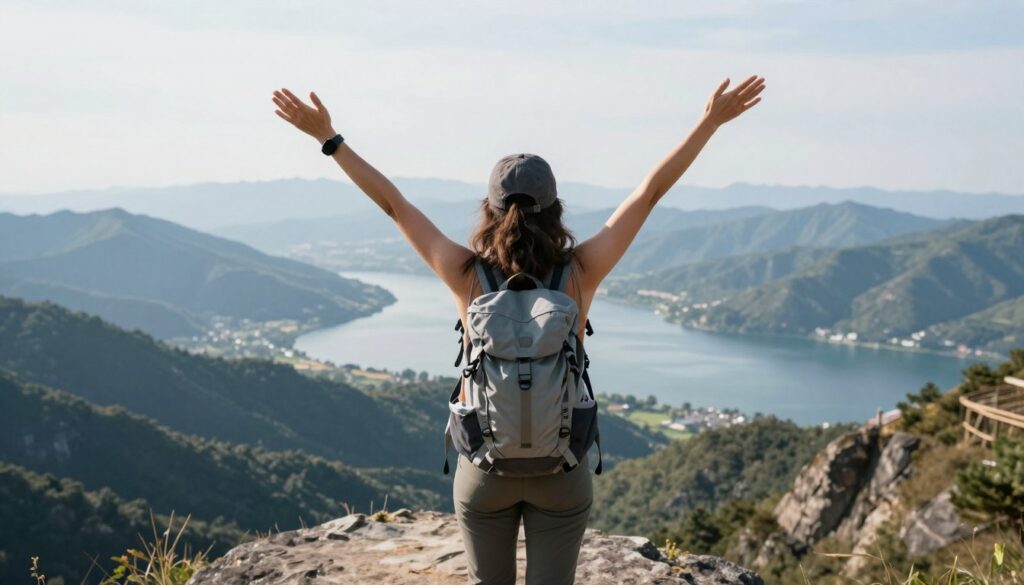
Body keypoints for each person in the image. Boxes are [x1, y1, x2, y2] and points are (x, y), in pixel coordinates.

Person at [271, 74, 766, 585]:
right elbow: (650, 193)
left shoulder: (464, 273)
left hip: (485, 469)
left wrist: (329, 140)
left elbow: (394, 205)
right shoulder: (580, 272)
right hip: (562, 469)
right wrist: (709, 122)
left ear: (489, 209)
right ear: (556, 209)